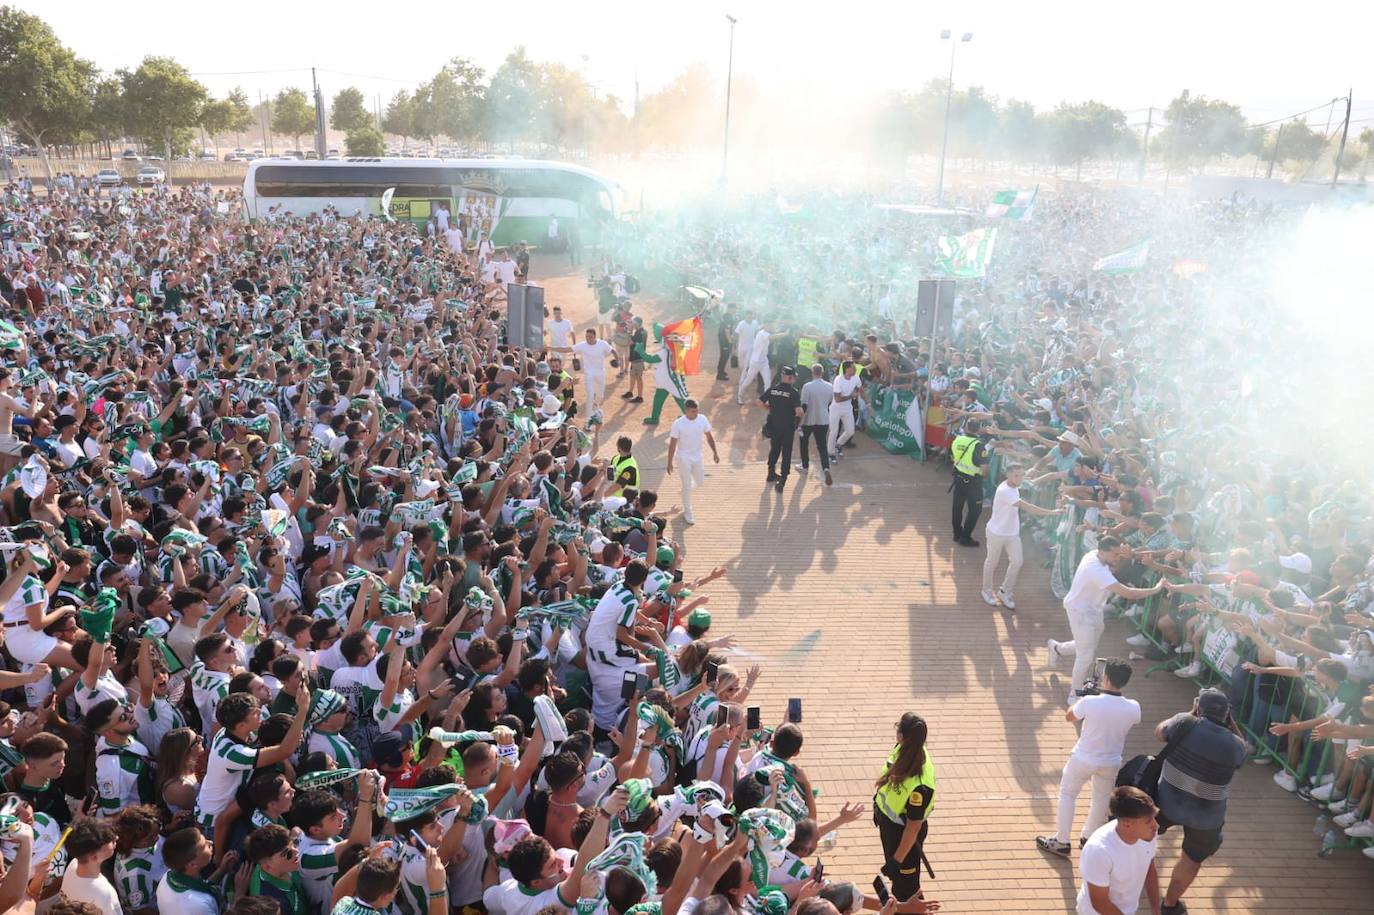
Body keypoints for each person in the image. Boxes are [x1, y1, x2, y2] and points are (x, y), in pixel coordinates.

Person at [1152, 688, 1247, 915]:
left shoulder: (1185, 722)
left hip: (1165, 800)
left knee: (1141, 837)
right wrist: (1232, 724)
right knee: (1191, 860)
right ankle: (1170, 904)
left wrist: (1190, 713)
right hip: (1207, 816)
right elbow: (1242, 755)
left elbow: (1158, 732)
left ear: (1198, 707)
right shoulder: (1235, 744)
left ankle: (1130, 879)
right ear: (1226, 714)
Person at [1036, 658, 1141, 858]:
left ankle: (1061, 840)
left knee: (1068, 795)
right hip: (1110, 762)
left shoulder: (1090, 701)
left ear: (1106, 678)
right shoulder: (1134, 707)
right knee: (1100, 800)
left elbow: (1069, 717)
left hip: (1083, 759)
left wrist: (1083, 696)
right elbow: (1124, 713)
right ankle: (1088, 837)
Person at [1047, 536, 1165, 702]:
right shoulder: (1095, 569)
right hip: (1079, 612)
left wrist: (1128, 555)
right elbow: (1129, 594)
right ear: (1102, 552)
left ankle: (1057, 648)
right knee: (1085, 656)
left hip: (1094, 610)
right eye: (1115, 555)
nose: (1118, 558)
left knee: (1086, 646)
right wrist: (1155, 589)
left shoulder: (1097, 554)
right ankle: (1074, 695)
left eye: (1119, 554)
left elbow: (1116, 568)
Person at [872, 712, 935, 906]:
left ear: (904, 736)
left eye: (897, 728)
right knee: (906, 886)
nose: (895, 731)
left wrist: (896, 861)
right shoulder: (904, 749)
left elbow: (913, 828)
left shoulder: (919, 786)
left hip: (904, 839)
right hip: (891, 829)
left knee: (904, 891)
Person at [981, 464, 1061, 608]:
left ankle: (1005, 591)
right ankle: (986, 590)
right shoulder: (1006, 491)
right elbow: (1028, 507)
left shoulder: (1014, 484)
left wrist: (1030, 472)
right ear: (1008, 475)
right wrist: (1053, 512)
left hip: (1012, 533)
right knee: (992, 562)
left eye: (1020, 475)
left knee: (1017, 562)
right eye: (1015, 475)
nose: (1019, 478)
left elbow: (1028, 480)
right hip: (996, 533)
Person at [1076, 787, 1161, 915]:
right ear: (1127, 824)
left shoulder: (1148, 834)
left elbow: (1149, 869)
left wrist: (1156, 910)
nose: (1156, 825)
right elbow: (1100, 903)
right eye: (1148, 821)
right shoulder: (1099, 851)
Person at [666, 399, 719, 526]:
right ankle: (688, 512)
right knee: (687, 486)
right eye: (693, 411)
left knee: (700, 482)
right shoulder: (678, 424)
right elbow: (672, 444)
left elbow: (709, 437)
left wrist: (715, 452)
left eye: (697, 410)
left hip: (697, 456)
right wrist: (669, 462)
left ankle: (685, 491)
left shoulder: (702, 419)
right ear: (686, 410)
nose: (696, 413)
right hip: (683, 457)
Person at [60, 817, 123, 914]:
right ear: (94, 857)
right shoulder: (104, 892)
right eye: (109, 840)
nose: (116, 838)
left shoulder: (73, 865)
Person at [761, 366, 802, 493]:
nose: (794, 379)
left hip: (774, 426)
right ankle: (782, 481)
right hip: (787, 428)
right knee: (786, 454)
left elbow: (759, 402)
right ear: (790, 378)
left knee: (774, 450)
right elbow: (799, 412)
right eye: (794, 377)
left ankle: (770, 474)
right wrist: (798, 423)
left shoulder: (773, 389)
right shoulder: (793, 392)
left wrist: (771, 408)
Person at [947, 424, 988, 548]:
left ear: (966, 429)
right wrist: (982, 477)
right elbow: (985, 469)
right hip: (973, 483)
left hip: (958, 479)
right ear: (978, 429)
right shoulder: (979, 445)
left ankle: (957, 534)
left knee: (957, 507)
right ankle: (965, 537)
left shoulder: (957, 439)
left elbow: (952, 457)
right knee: (975, 510)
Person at [796, 363, 834, 486]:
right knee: (822, 446)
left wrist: (799, 422)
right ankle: (826, 468)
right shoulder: (830, 386)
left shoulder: (807, 386)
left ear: (812, 373)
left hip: (808, 420)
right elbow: (829, 403)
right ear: (822, 373)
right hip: (823, 420)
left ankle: (805, 465)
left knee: (803, 442)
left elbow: (804, 406)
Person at [827, 361, 862, 463]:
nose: (855, 369)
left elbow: (859, 388)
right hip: (835, 409)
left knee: (850, 431)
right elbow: (837, 399)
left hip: (847, 409)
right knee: (834, 431)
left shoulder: (856, 377)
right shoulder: (838, 380)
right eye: (853, 367)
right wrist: (852, 396)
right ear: (847, 369)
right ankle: (831, 453)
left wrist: (866, 402)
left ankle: (838, 444)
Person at [736, 325, 772, 404]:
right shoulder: (762, 334)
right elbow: (774, 337)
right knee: (748, 380)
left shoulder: (765, 332)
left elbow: (774, 332)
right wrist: (786, 333)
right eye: (771, 325)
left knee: (767, 381)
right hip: (755, 362)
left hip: (764, 362)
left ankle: (767, 400)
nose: (772, 327)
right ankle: (740, 395)